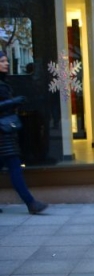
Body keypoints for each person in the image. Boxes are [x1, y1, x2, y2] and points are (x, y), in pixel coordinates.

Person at [0, 52, 48, 215]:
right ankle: (31, 202)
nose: (6, 64)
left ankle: (31, 203)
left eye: (6, 60)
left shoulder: (4, 82)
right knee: (14, 167)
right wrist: (14, 102)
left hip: (6, 129)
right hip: (3, 132)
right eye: (2, 61)